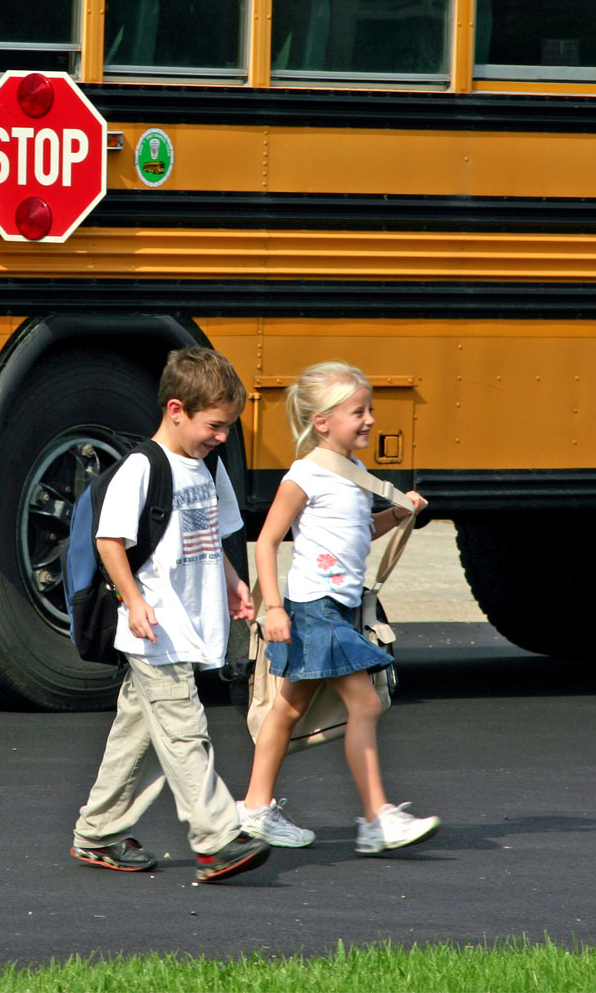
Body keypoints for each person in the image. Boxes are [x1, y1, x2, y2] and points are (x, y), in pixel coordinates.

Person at [71, 347, 270, 883]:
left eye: (228, 427)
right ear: (176, 409)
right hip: (156, 627)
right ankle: (217, 839)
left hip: (192, 620)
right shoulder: (143, 468)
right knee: (184, 733)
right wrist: (134, 602)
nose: (222, 437)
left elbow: (213, 533)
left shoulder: (209, 466)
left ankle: (98, 831)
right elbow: (110, 541)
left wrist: (233, 583)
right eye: (215, 425)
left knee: (138, 736)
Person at [238, 360, 440, 854]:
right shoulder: (304, 475)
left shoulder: (355, 475)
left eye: (369, 409)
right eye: (358, 411)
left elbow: (360, 531)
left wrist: (397, 512)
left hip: (337, 607)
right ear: (322, 421)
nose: (369, 419)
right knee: (365, 702)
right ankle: (376, 819)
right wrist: (274, 608)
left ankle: (255, 808)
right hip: (314, 609)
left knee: (286, 709)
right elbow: (266, 542)